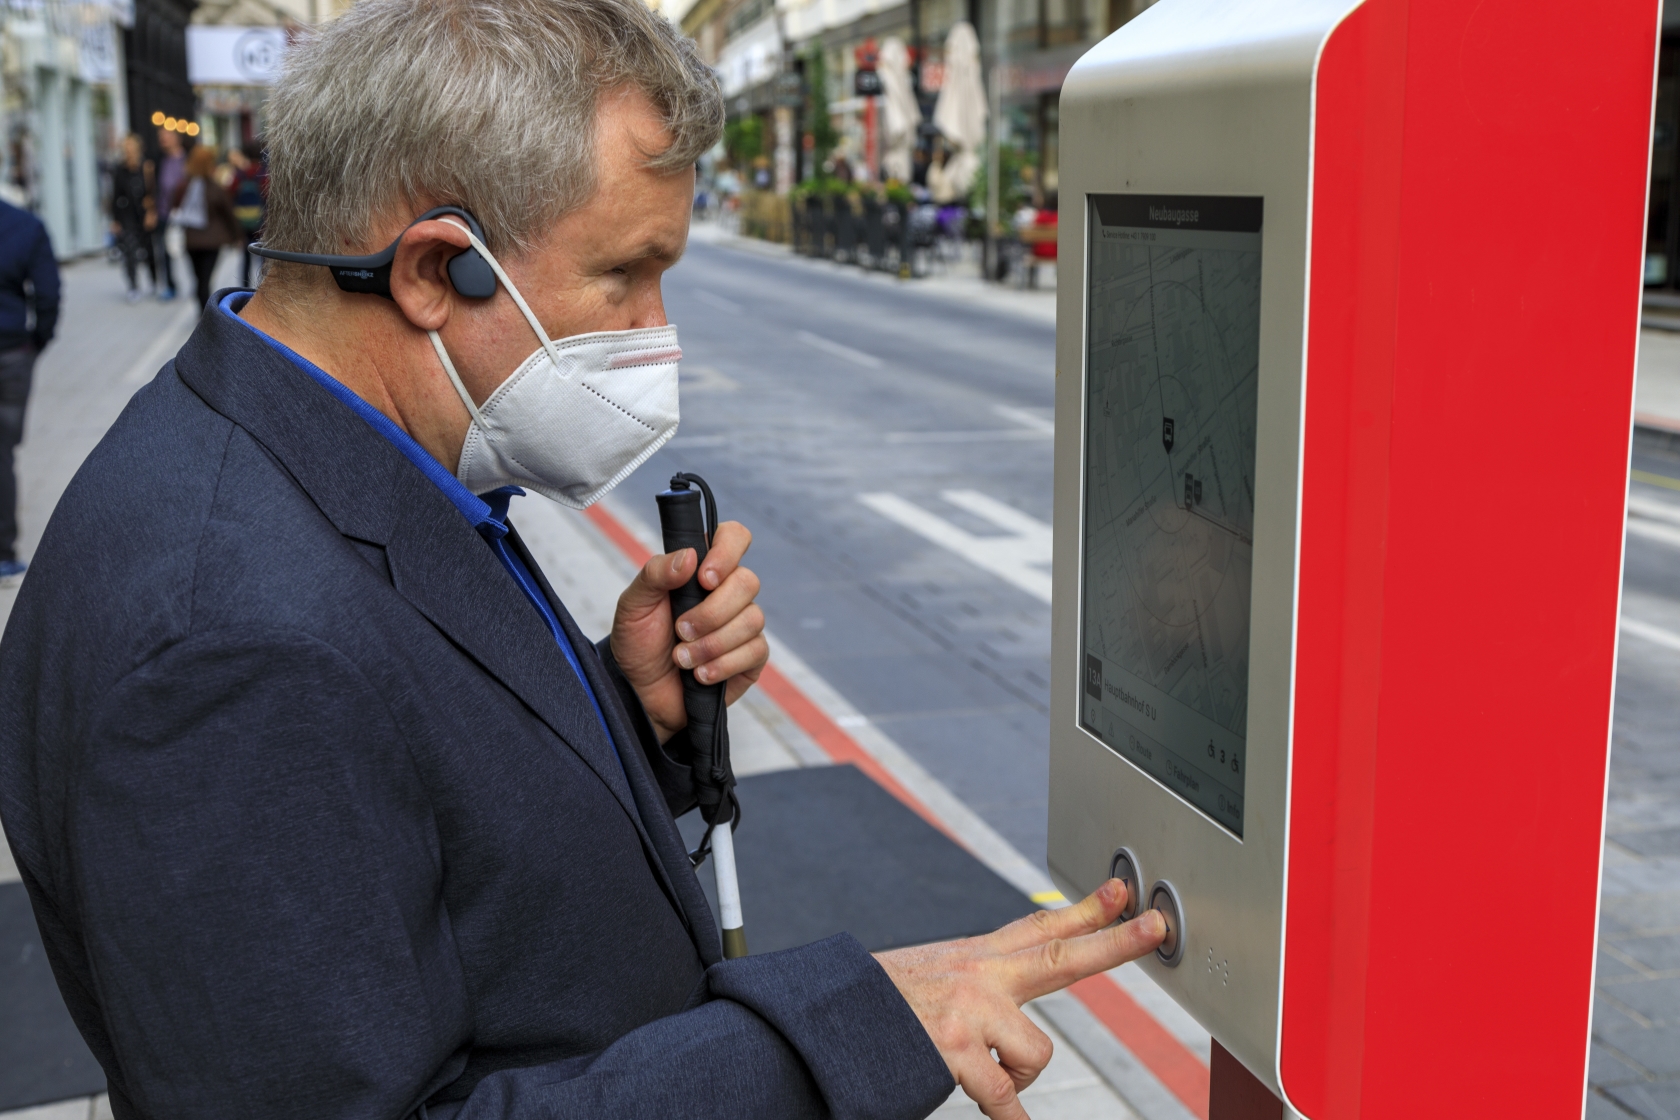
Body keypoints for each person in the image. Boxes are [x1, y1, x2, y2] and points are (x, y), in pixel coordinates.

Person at [0, 1, 1165, 1117]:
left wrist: (627, 711)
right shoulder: (227, 642)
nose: (657, 332)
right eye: (623, 274)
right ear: (430, 273)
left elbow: (419, 819)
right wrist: (852, 1028)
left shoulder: (334, 452)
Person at [0, 197, 57, 583]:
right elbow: (48, 294)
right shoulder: (24, 225)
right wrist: (36, 342)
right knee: (2, 448)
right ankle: (3, 553)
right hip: (11, 353)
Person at [169, 143, 239, 308]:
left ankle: (201, 309)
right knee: (206, 279)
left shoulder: (183, 186)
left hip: (191, 239)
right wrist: (237, 236)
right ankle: (204, 313)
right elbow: (228, 214)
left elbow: (174, 208)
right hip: (212, 241)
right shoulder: (215, 188)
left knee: (199, 278)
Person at [108, 134, 156, 302]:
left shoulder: (147, 167)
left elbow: (153, 191)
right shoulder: (120, 170)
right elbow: (115, 195)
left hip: (144, 215)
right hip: (126, 215)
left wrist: (152, 212)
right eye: (126, 148)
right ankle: (133, 286)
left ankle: (154, 281)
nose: (129, 151)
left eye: (131, 148)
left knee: (150, 249)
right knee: (129, 251)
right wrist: (114, 219)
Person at [226, 141, 267, 287]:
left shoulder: (239, 175)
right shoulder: (265, 174)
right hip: (262, 222)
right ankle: (263, 287)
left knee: (245, 256)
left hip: (242, 222)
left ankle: (245, 286)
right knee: (263, 257)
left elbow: (229, 196)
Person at [152, 127, 185, 300]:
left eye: (166, 137)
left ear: (176, 138)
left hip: (184, 214)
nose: (162, 141)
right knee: (164, 251)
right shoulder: (159, 161)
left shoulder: (186, 160)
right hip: (164, 212)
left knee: (186, 249)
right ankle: (170, 285)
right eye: (160, 138)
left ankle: (194, 285)